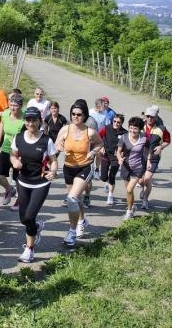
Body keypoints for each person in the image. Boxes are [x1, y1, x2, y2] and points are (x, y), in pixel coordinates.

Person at [10, 107, 58, 263]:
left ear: (40, 121)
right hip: (23, 181)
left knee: (29, 216)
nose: (31, 123)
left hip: (40, 183)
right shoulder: (18, 138)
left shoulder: (46, 140)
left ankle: (29, 250)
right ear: (25, 121)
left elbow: (53, 160)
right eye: (28, 120)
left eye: (34, 120)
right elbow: (13, 154)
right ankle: (36, 227)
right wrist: (14, 162)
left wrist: (54, 172)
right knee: (24, 218)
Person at [55, 99, 103, 247]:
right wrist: (61, 146)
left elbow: (100, 143)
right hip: (68, 167)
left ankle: (71, 232)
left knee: (71, 199)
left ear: (85, 116)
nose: (75, 117)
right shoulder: (65, 130)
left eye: (79, 114)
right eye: (73, 114)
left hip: (84, 167)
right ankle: (82, 220)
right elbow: (57, 144)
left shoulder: (90, 132)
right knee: (76, 199)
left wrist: (93, 152)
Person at [117, 116, 150, 220]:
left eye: (135, 128)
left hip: (138, 167)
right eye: (130, 127)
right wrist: (119, 159)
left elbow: (148, 152)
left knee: (129, 189)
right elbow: (118, 151)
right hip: (126, 166)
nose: (132, 130)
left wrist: (148, 162)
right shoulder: (124, 137)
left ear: (140, 129)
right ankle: (131, 206)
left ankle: (129, 211)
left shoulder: (144, 139)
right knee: (129, 191)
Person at [140, 106, 171, 210]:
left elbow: (167, 140)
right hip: (140, 156)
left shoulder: (161, 129)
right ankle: (143, 189)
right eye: (148, 116)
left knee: (147, 179)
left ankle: (145, 200)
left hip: (153, 157)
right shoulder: (140, 126)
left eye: (152, 117)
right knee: (140, 180)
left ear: (156, 117)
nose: (150, 119)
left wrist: (161, 146)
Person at [0, 94, 24, 210]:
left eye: (15, 105)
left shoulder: (25, 118)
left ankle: (19, 200)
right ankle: (9, 189)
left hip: (19, 151)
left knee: (18, 178)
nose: (12, 108)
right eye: (11, 104)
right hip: (6, 148)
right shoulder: (5, 114)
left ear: (21, 106)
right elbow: (1, 124)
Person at [98, 114, 127, 206]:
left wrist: (122, 153)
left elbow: (127, 146)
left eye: (118, 122)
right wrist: (100, 147)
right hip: (105, 155)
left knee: (112, 176)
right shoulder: (106, 128)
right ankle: (107, 183)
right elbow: (97, 138)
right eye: (114, 121)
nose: (116, 123)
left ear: (121, 123)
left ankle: (110, 196)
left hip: (116, 157)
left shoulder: (124, 133)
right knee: (103, 177)